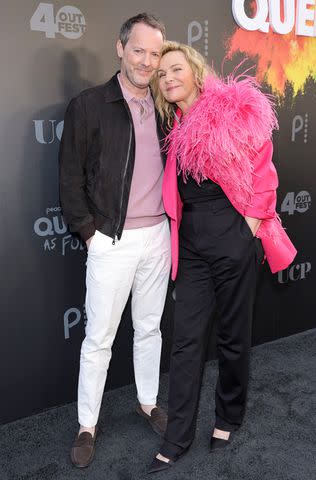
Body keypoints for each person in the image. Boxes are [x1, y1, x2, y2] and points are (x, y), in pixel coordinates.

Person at [147, 41, 297, 473]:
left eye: (175, 69)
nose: (168, 77)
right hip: (192, 245)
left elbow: (264, 176)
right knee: (186, 341)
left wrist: (244, 234)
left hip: (232, 235)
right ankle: (177, 438)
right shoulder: (174, 124)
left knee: (233, 338)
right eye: (161, 74)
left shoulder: (233, 110)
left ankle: (228, 417)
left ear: (195, 70)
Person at [59, 13, 171, 468]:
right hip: (111, 240)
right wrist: (92, 236)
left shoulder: (168, 107)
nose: (147, 61)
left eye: (156, 53)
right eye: (139, 50)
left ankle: (148, 401)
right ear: (120, 49)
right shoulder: (89, 105)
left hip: (159, 236)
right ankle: (87, 424)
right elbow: (69, 180)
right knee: (99, 340)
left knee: (149, 328)